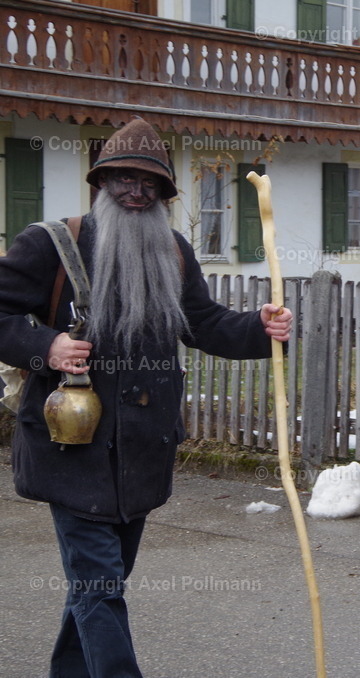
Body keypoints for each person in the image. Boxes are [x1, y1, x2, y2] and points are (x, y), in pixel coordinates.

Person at [0, 117, 293, 677]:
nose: (136, 192)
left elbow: (204, 323)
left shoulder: (174, 250)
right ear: (101, 182)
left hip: (142, 453)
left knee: (97, 587)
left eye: (149, 183)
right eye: (124, 179)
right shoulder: (51, 244)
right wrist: (45, 346)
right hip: (74, 452)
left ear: (163, 193)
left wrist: (259, 328)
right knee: (100, 586)